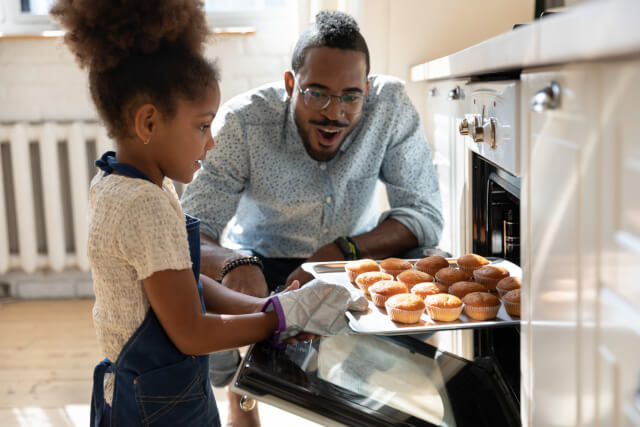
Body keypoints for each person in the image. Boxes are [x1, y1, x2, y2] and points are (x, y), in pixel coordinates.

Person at [50, 2, 363, 426]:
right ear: (148, 123)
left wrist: (264, 305)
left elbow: (181, 278)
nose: (211, 143)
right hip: (158, 407)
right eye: (202, 126)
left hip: (143, 389)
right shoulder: (146, 204)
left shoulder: (118, 181)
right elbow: (192, 333)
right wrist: (281, 319)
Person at [180, 9, 444, 427]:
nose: (334, 113)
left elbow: (424, 214)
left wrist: (342, 250)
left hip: (349, 262)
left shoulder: (389, 107)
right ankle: (241, 390)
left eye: (350, 96)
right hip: (257, 263)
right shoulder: (243, 121)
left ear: (368, 90)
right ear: (290, 85)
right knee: (188, 282)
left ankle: (359, 385)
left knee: (427, 259)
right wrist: (235, 263)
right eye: (316, 93)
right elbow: (188, 228)